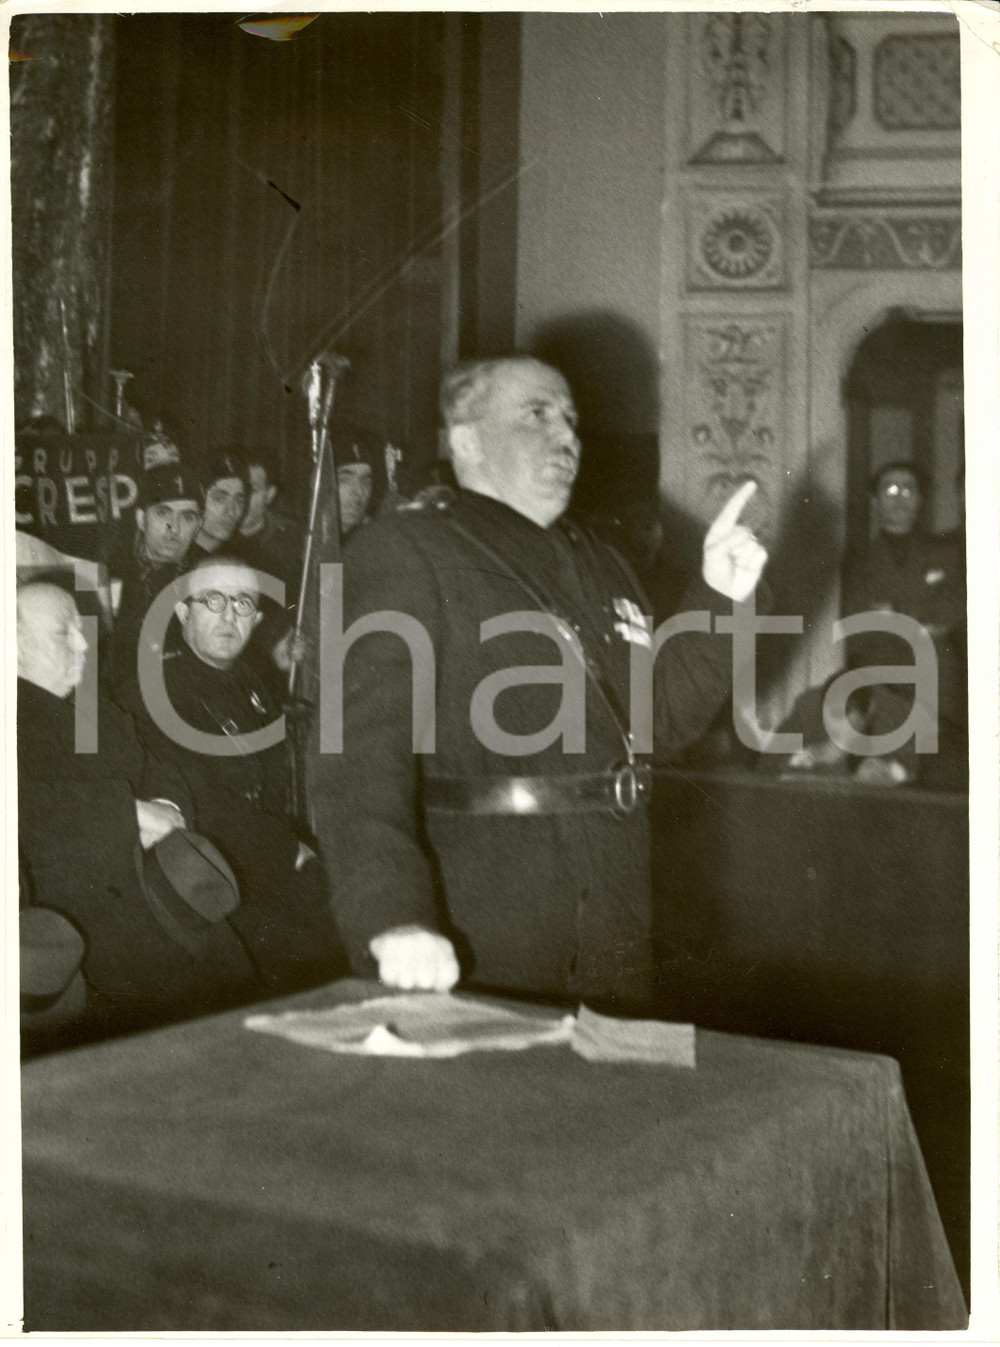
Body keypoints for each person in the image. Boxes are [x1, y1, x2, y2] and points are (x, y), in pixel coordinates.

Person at [313, 356, 767, 1008]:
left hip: (615, 926)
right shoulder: (405, 550)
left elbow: (655, 720)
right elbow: (353, 760)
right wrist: (391, 917)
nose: (568, 437)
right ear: (466, 440)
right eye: (537, 414)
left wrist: (721, 596)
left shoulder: (601, 563)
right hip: (484, 929)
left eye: (572, 419)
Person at [16, 580, 257, 1038]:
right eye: (64, 632)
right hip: (82, 930)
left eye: (84, 630)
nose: (85, 644)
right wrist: (129, 814)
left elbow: (160, 767)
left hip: (168, 897)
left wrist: (164, 804)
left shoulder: (95, 709)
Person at [137, 555, 345, 991]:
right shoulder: (162, 693)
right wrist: (292, 851)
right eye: (214, 600)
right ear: (182, 612)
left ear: (257, 621)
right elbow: (198, 803)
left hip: (266, 860)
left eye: (244, 604)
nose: (230, 615)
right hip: (217, 877)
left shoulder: (249, 681)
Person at [841, 460, 966, 786]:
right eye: (890, 489)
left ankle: (894, 766)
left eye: (909, 489)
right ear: (875, 499)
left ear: (921, 499)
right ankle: (891, 766)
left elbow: (954, 609)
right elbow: (858, 630)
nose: (900, 497)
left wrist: (893, 611)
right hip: (883, 666)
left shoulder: (947, 553)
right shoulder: (859, 562)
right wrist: (918, 617)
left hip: (936, 673)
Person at [108, 463, 203, 711]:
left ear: (199, 525)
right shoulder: (109, 568)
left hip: (180, 708)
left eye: (188, 517)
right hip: (112, 707)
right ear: (141, 518)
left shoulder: (209, 577)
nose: (175, 527)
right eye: (163, 513)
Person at [191, 450, 249, 561]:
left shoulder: (245, 559)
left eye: (239, 500)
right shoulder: (172, 558)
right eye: (219, 499)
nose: (231, 511)